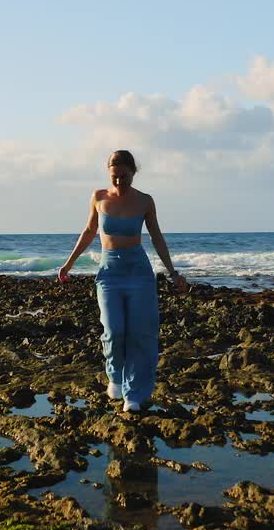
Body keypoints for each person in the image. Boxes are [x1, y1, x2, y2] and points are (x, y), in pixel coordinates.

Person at [57, 150, 187, 412]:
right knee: (114, 330)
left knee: (141, 334)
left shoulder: (145, 201)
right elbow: (89, 231)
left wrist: (173, 272)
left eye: (124, 177)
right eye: (115, 176)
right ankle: (114, 375)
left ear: (133, 173)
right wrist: (68, 264)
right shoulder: (99, 197)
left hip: (139, 272)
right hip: (109, 272)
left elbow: (157, 237)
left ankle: (134, 395)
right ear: (109, 173)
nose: (119, 181)